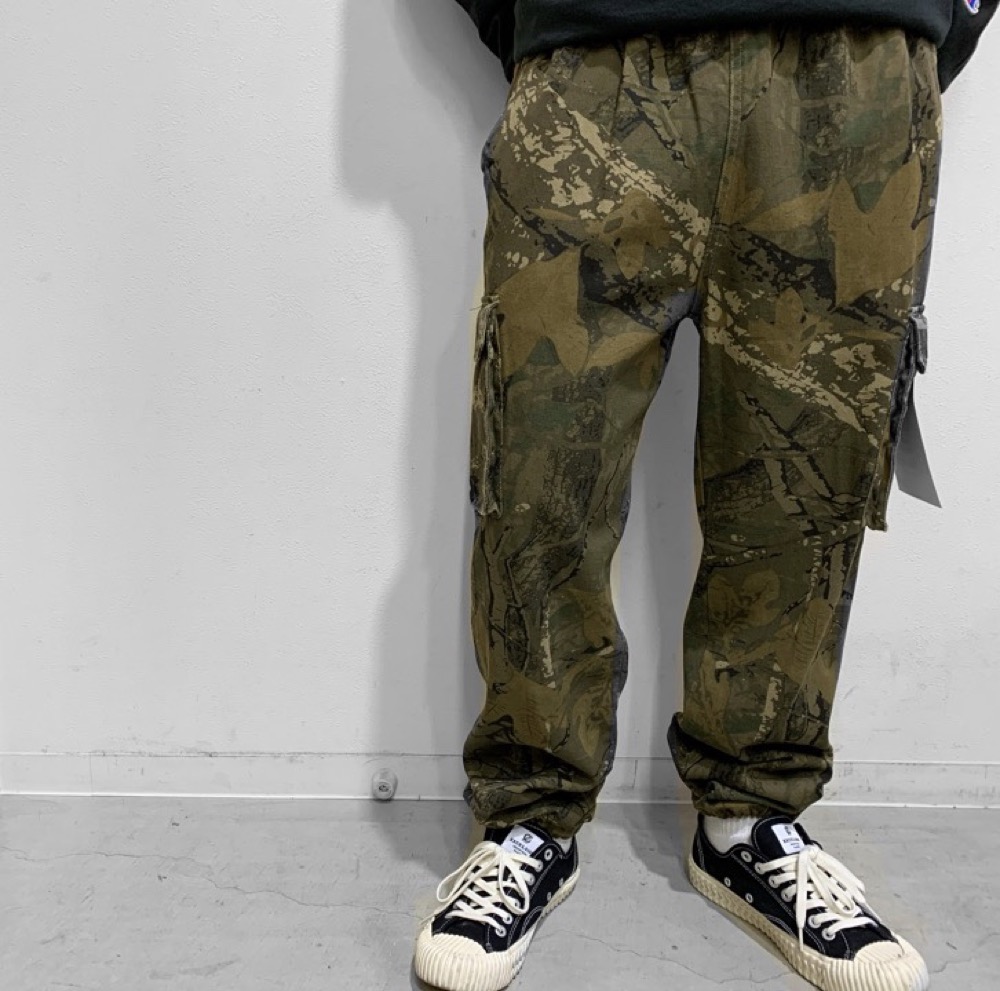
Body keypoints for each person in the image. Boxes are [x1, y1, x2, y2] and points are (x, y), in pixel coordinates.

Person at [413, 3, 996, 990]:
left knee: (803, 483)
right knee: (538, 476)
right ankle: (528, 819)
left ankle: (750, 820)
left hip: (852, 67)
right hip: (593, 59)